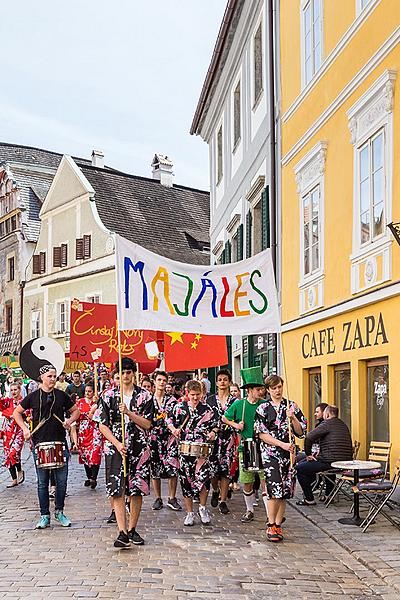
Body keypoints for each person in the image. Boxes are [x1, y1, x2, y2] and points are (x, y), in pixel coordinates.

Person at [13, 365, 80, 529]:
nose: (53, 379)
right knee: (42, 482)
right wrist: (25, 429)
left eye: (55, 376)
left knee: (62, 482)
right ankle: (44, 516)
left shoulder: (61, 395)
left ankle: (59, 511)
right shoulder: (33, 397)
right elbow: (17, 412)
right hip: (40, 443)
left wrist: (69, 422)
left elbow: (76, 411)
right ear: (42, 377)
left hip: (59, 443)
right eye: (50, 376)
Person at [97, 357, 153, 548]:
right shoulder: (108, 396)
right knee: (117, 488)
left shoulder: (145, 396)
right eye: (122, 373)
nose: (125, 376)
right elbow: (102, 425)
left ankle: (132, 528)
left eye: (129, 372)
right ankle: (121, 531)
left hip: (138, 447)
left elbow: (148, 424)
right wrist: (116, 443)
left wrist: (129, 413)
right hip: (116, 448)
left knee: (136, 489)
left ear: (134, 373)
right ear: (116, 375)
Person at [255, 374, 307, 542]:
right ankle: (271, 524)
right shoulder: (263, 408)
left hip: (288, 453)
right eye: (274, 388)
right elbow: (262, 434)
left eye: (279, 387)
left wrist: (293, 418)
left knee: (284, 490)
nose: (277, 391)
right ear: (268, 390)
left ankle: (278, 524)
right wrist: (280, 444)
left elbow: (301, 432)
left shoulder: (291, 406)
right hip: (271, 453)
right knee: (274, 488)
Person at [168, 379, 219, 526]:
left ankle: (202, 508)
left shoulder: (208, 409)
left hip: (202, 451)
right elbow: (169, 420)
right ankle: (189, 513)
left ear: (202, 393)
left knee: (203, 480)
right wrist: (174, 430)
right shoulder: (179, 407)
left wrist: (212, 433)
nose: (195, 398)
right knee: (186, 481)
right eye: (192, 395)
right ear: (187, 393)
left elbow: (216, 426)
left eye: (198, 394)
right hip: (185, 451)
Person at [223, 367, 267, 522]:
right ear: (249, 390)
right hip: (246, 447)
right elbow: (224, 418)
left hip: (264, 447)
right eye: (258, 389)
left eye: (261, 389)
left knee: (265, 481)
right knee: (247, 481)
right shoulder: (239, 405)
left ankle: (270, 514)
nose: (261, 392)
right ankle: (249, 510)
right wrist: (235, 425)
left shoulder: (265, 404)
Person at [296, 404, 353, 506]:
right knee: (311, 464)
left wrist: (308, 454)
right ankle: (329, 495)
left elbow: (309, 437)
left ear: (326, 414)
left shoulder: (327, 424)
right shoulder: (343, 424)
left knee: (300, 468)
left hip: (330, 462)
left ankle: (309, 499)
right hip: (345, 463)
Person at [150, 370, 181, 511]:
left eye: (164, 380)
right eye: (159, 380)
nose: (162, 382)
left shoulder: (173, 401)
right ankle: (158, 498)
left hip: (170, 438)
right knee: (155, 468)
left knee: (173, 467)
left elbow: (177, 418)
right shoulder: (148, 400)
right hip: (154, 437)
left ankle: (172, 497)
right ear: (154, 382)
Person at [207, 369, 236, 514]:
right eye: (220, 379)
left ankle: (223, 500)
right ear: (216, 383)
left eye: (225, 379)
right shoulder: (209, 400)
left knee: (225, 471)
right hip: (213, 439)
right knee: (212, 471)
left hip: (228, 439)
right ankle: (215, 489)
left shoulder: (235, 401)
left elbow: (237, 419)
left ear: (229, 382)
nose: (223, 382)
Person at [75, 381, 103, 489]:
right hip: (83, 430)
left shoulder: (98, 403)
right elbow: (76, 415)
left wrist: (95, 407)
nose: (88, 393)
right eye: (86, 391)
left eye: (90, 391)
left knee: (95, 453)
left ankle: (94, 478)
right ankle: (89, 475)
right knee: (85, 454)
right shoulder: (80, 402)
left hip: (95, 429)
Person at [0, 382, 25, 487]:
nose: (13, 392)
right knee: (7, 455)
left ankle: (19, 470)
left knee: (13, 453)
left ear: (20, 390)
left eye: (15, 389)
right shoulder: (8, 401)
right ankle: (14, 479)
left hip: (19, 430)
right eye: (12, 390)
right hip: (7, 431)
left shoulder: (24, 402)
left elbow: (28, 415)